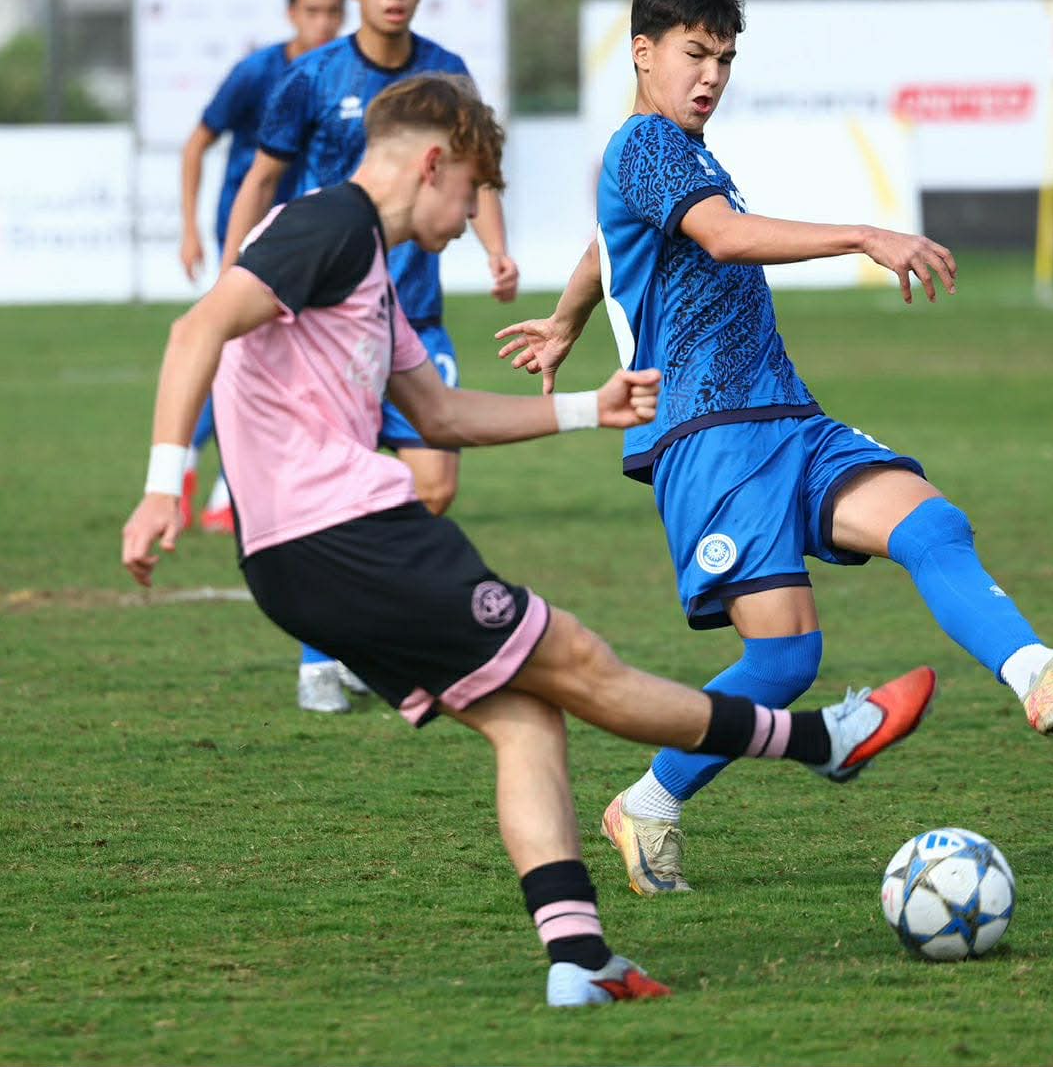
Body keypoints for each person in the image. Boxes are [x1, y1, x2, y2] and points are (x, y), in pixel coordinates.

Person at [120, 73, 938, 1007]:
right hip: (349, 531)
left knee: (523, 718)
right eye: (471, 192)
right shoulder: (331, 226)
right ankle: (819, 740)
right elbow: (198, 330)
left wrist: (589, 408)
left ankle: (578, 958)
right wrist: (161, 490)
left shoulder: (369, 277)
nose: (471, 217)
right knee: (578, 662)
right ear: (432, 163)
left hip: (292, 565)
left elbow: (436, 412)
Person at [494, 0, 1053, 898]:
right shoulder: (648, 141)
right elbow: (723, 238)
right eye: (695, 54)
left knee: (931, 523)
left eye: (724, 58)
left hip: (786, 413)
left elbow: (614, 242)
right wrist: (865, 234)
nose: (711, 75)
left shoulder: (671, 154)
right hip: (712, 433)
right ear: (643, 53)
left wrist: (569, 318)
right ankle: (647, 803)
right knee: (785, 657)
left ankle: (1037, 672)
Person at [221, 0, 522, 713]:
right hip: (326, 324)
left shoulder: (446, 74)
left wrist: (494, 246)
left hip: (414, 313)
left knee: (433, 482)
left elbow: (477, 172)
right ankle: (325, 655)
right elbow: (262, 180)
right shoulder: (311, 76)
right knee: (335, 488)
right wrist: (232, 277)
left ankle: (361, 632)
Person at [175, 0, 346, 534]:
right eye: (312, 12)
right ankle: (195, 478)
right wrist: (192, 229)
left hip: (302, 237)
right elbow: (197, 144)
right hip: (248, 239)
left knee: (275, 362)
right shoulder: (257, 72)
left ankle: (230, 488)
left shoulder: (339, 73)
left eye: (332, 12)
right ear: (291, 13)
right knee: (234, 354)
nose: (323, 24)